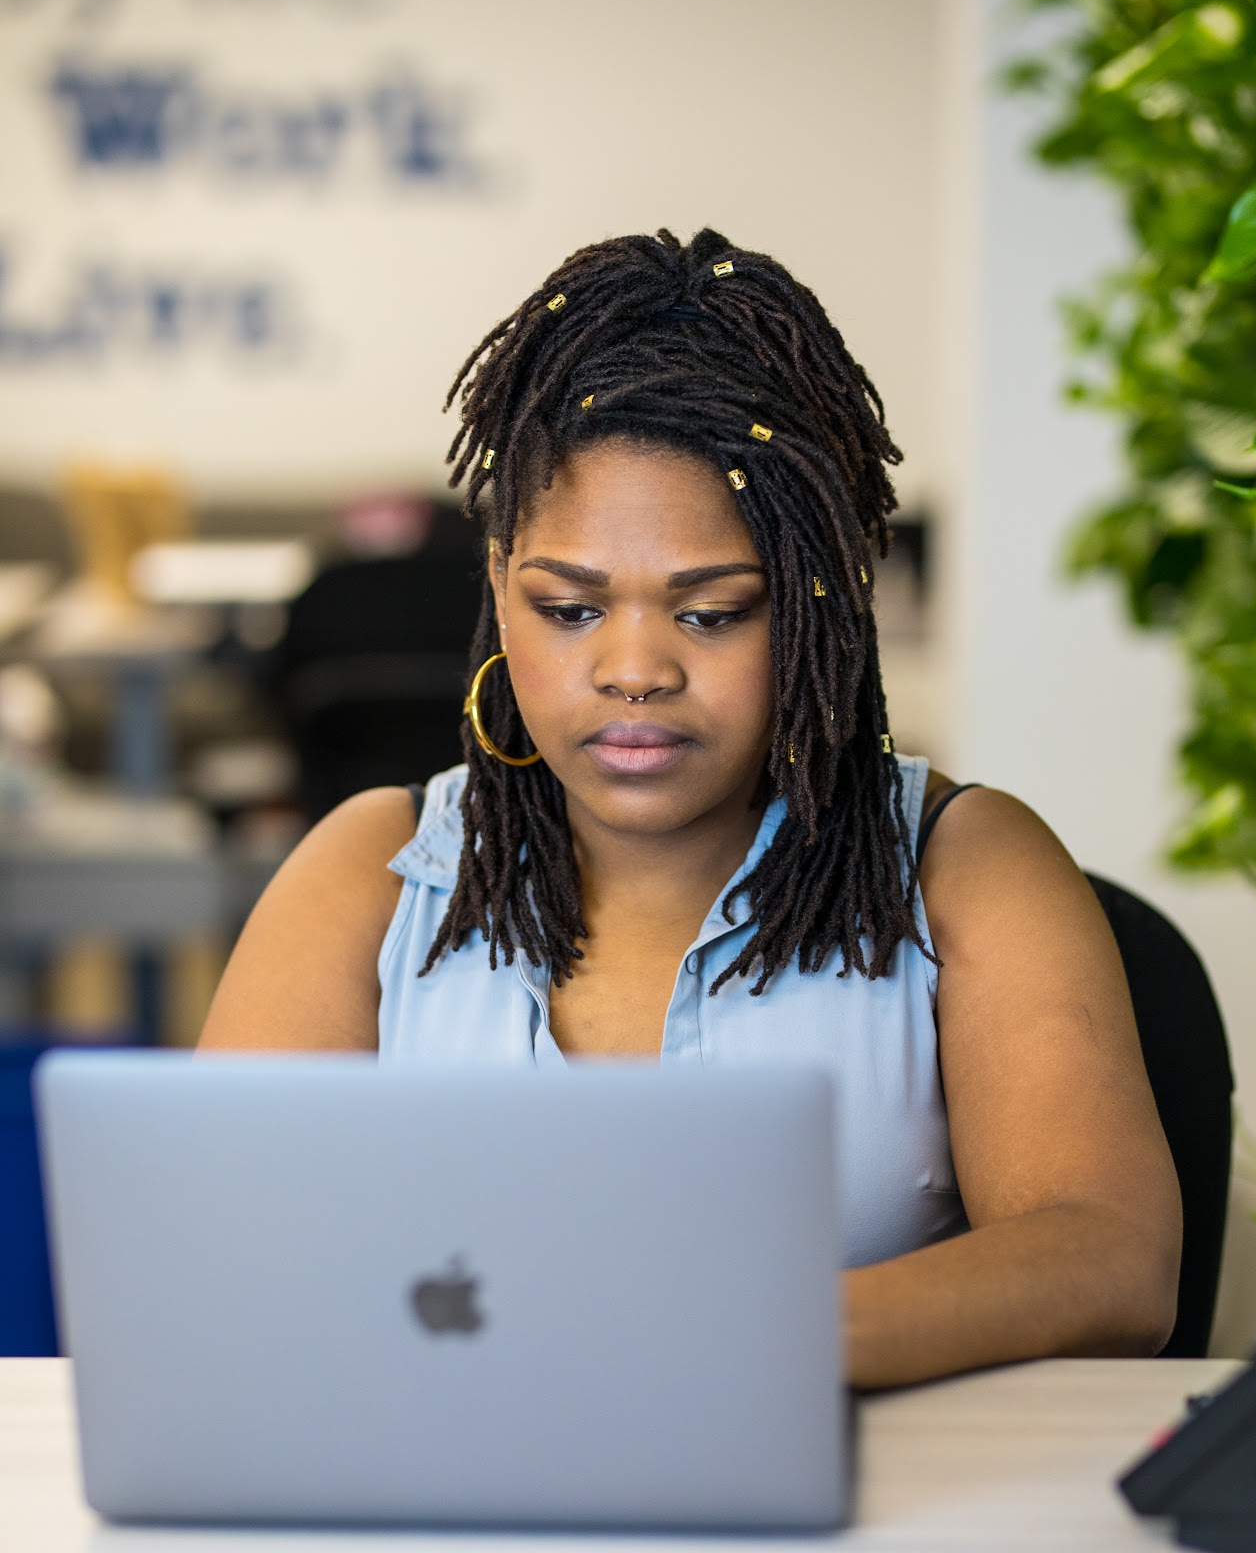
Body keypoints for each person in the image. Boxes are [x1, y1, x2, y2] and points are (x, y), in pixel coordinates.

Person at [199, 228, 1182, 1388]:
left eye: (712, 612)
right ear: (501, 599)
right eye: (567, 608)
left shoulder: (964, 865)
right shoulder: (371, 873)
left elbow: (1112, 1259)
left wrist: (742, 1342)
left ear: (823, 612)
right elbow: (208, 1264)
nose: (634, 670)